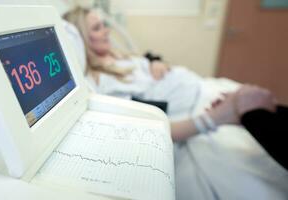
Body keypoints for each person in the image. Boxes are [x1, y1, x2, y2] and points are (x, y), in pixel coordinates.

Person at [63, 7, 288, 199]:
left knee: (263, 103)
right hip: (203, 110)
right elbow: (151, 126)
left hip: (205, 88)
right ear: (81, 38)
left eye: (104, 25)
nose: (106, 32)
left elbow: (147, 65)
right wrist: (213, 118)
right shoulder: (102, 82)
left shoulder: (118, 55)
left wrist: (155, 62)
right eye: (96, 28)